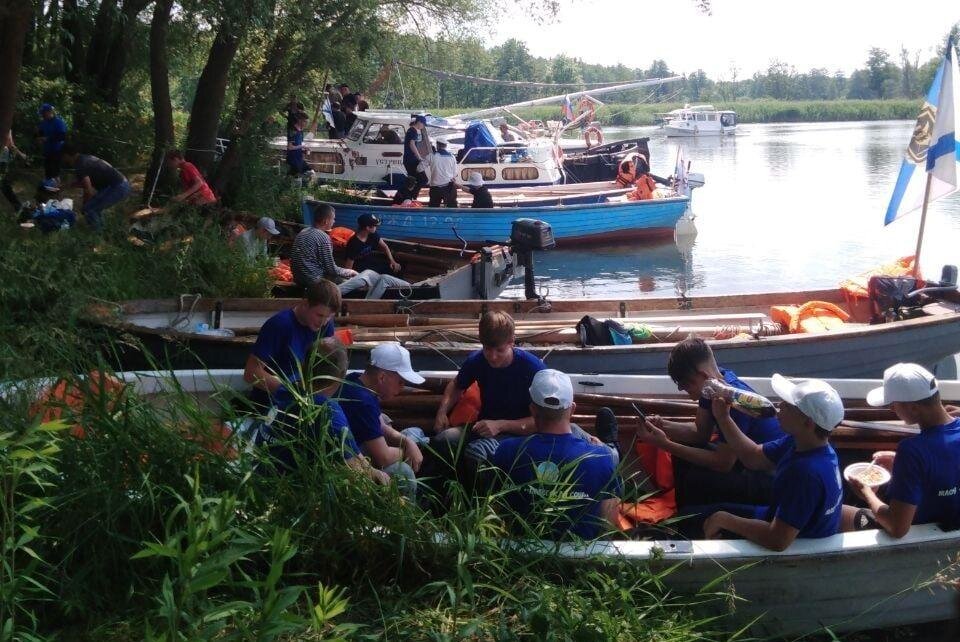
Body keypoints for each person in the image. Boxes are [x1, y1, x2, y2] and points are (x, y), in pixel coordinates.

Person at [434, 311, 619, 478]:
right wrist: (442, 412)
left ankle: (610, 452)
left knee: (479, 453)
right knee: (445, 440)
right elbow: (457, 384)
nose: (492, 356)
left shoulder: (532, 368)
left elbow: (547, 418)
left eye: (499, 350)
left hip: (526, 432)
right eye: (487, 349)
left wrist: (501, 425)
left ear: (511, 342)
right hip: (486, 428)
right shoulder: (477, 361)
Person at [691, 375, 844, 551]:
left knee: (692, 520)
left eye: (787, 405)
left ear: (807, 423)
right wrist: (724, 418)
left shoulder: (806, 473)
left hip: (791, 544)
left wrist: (724, 520)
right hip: (774, 519)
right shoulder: (801, 443)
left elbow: (777, 540)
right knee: (703, 511)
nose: (779, 406)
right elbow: (753, 457)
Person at [635, 338, 784, 509]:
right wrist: (662, 425)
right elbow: (700, 433)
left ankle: (693, 524)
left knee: (696, 479)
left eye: (686, 385)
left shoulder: (733, 397)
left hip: (769, 477)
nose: (686, 393)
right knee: (683, 456)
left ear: (703, 376)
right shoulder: (712, 386)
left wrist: (665, 444)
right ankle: (684, 518)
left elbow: (723, 463)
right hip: (741, 461)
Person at [493, 369, 622, 540]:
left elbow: (497, 511)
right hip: (581, 557)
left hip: (521, 554)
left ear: (532, 410)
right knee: (611, 460)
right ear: (572, 409)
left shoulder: (505, 451)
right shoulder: (600, 458)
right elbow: (608, 526)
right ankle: (613, 448)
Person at [841, 363, 960, 537]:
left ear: (913, 408)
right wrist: (899, 461)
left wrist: (866, 492)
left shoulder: (912, 450)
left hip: (919, 532)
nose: (891, 409)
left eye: (892, 405)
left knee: (838, 513)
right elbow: (946, 464)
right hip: (950, 521)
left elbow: (897, 528)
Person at [262, 338, 390, 486]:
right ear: (342, 375)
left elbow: (354, 456)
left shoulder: (286, 390)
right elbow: (357, 473)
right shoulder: (328, 412)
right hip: (292, 488)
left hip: (266, 475)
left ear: (304, 366)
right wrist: (379, 475)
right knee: (402, 473)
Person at [336, 342, 426, 498]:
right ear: (382, 377)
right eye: (400, 382)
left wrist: (408, 442)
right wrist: (408, 452)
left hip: (363, 448)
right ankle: (407, 514)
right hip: (352, 464)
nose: (402, 387)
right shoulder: (363, 401)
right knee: (403, 472)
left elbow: (381, 425)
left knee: (415, 434)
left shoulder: (356, 380)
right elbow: (383, 457)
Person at [243, 279, 339, 410]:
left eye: (329, 317)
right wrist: (292, 393)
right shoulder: (280, 325)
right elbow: (251, 372)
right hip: (272, 405)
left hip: (306, 403)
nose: (323, 322)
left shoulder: (326, 325)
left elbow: (329, 366)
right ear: (305, 303)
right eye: (319, 315)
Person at [289, 202, 409, 298]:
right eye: (333, 219)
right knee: (363, 278)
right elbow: (331, 269)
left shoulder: (303, 232)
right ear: (326, 221)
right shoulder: (323, 237)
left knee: (363, 275)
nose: (334, 221)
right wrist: (349, 272)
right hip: (314, 281)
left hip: (300, 278)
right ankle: (331, 295)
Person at [61, 143, 131, 231]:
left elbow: (88, 189)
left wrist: (85, 205)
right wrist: (66, 186)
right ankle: (101, 231)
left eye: (62, 156)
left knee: (90, 209)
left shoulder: (80, 165)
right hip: (120, 184)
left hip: (117, 187)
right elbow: (85, 182)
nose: (62, 159)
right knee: (94, 208)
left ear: (66, 155)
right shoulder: (83, 159)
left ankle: (96, 236)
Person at [36, 103, 67, 183]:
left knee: (55, 172)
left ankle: (57, 189)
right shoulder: (43, 123)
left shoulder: (58, 122)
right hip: (47, 151)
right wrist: (39, 139)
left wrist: (48, 139)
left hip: (57, 150)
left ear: (49, 112)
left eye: (44, 113)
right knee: (48, 172)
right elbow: (40, 133)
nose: (42, 115)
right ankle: (48, 189)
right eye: (41, 113)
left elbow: (62, 136)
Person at [1, 129, 30, 217]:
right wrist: (21, 154)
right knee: (3, 184)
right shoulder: (6, 124)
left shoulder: (6, 124)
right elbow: (11, 144)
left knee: (3, 184)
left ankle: (18, 206)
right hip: (2, 157)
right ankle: (18, 206)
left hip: (2, 157)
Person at [425, 139, 458, 208]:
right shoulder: (452, 157)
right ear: (445, 146)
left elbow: (419, 168)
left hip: (435, 187)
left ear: (437, 145)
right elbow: (455, 173)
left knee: (433, 207)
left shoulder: (431, 156)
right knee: (452, 207)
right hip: (449, 186)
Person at [403, 115, 428, 200]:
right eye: (423, 124)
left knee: (413, 180)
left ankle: (410, 197)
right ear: (419, 122)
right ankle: (413, 197)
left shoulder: (411, 130)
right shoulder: (413, 131)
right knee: (423, 179)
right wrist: (419, 157)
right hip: (411, 160)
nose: (423, 126)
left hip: (409, 160)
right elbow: (412, 144)